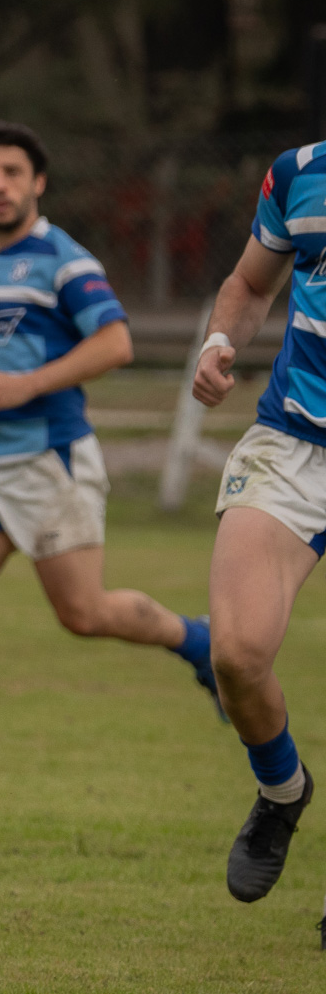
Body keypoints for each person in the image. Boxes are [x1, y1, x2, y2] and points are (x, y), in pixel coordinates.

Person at [0, 120, 218, 771]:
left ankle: (198, 642)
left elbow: (116, 343)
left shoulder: (66, 260)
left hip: (49, 458)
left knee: (84, 613)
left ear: (38, 182)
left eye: (11, 173)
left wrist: (27, 384)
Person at [188, 141, 326, 906]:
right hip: (294, 443)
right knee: (236, 655)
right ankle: (282, 792)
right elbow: (249, 282)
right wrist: (218, 342)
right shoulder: (300, 174)